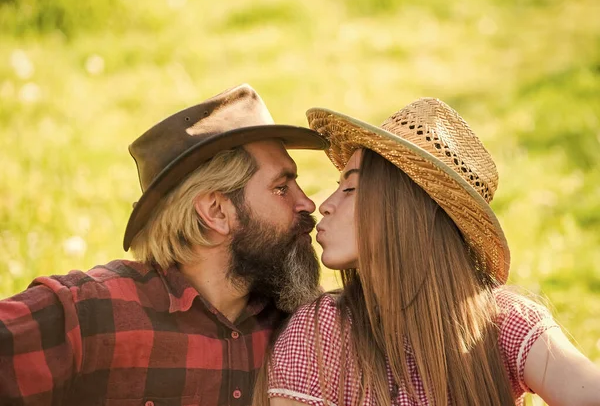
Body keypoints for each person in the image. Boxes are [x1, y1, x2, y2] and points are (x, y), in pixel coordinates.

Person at [0, 84, 329, 405]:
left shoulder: (303, 328)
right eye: (282, 187)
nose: (307, 203)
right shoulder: (89, 314)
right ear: (216, 211)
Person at [258, 98, 600, 405]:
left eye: (350, 187)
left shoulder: (503, 322)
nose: (325, 205)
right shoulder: (321, 331)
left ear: (406, 210)